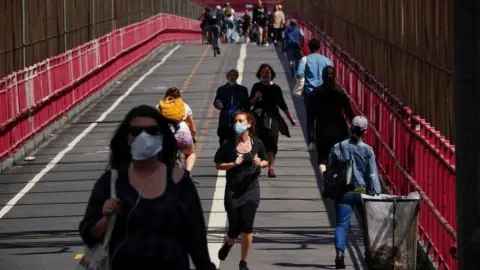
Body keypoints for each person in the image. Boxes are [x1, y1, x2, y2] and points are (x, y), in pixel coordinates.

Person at [79, 105, 215, 270]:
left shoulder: (180, 182)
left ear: (162, 136)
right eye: (136, 131)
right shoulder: (112, 181)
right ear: (127, 137)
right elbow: (89, 234)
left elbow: (196, 238)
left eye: (152, 131)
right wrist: (106, 218)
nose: (144, 136)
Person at [214, 111, 268, 270]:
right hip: (233, 190)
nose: (237, 124)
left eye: (240, 121)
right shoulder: (228, 145)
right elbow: (218, 164)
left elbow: (265, 161)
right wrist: (232, 164)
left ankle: (243, 262)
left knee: (247, 225)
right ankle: (230, 241)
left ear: (249, 124)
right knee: (235, 226)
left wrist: (261, 163)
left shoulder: (257, 143)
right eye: (235, 121)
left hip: (251, 189)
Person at [326, 115, 382, 269]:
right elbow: (372, 174)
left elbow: (331, 167)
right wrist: (376, 192)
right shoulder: (368, 150)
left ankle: (339, 254)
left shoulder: (338, 147)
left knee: (342, 224)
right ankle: (368, 255)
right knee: (366, 226)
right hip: (361, 191)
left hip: (344, 191)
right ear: (365, 132)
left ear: (350, 128)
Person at [250, 63, 297, 178]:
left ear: (271, 74)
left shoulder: (276, 88)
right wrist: (256, 97)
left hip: (273, 118)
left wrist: (291, 119)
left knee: (272, 142)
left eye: (267, 72)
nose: (265, 74)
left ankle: (271, 168)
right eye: (263, 72)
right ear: (259, 74)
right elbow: (250, 103)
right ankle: (257, 166)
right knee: (257, 141)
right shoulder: (256, 86)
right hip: (258, 118)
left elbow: (282, 105)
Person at [308, 66, 354, 175]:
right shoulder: (339, 93)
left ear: (322, 77)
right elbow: (349, 113)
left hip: (321, 129)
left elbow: (311, 116)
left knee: (323, 159)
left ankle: (325, 180)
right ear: (334, 77)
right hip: (339, 130)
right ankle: (338, 177)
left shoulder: (315, 93)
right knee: (341, 157)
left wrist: (311, 137)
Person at [296, 38, 334, 151]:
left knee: (310, 117)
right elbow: (332, 75)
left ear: (309, 47)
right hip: (324, 92)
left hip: (310, 92)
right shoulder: (327, 60)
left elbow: (298, 74)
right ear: (319, 48)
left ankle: (311, 142)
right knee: (323, 117)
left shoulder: (305, 59)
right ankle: (323, 140)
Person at [158, 87, 197, 173]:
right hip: (183, 134)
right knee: (190, 153)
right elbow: (193, 128)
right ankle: (187, 173)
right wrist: (193, 137)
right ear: (179, 97)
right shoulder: (184, 106)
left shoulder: (160, 106)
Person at [213, 69, 251, 145]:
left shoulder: (242, 89)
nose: (232, 77)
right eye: (231, 75)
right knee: (223, 143)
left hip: (238, 120)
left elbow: (247, 105)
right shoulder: (221, 89)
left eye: (234, 75)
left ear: (237, 77)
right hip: (225, 120)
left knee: (238, 142)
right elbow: (217, 100)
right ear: (227, 77)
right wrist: (219, 104)